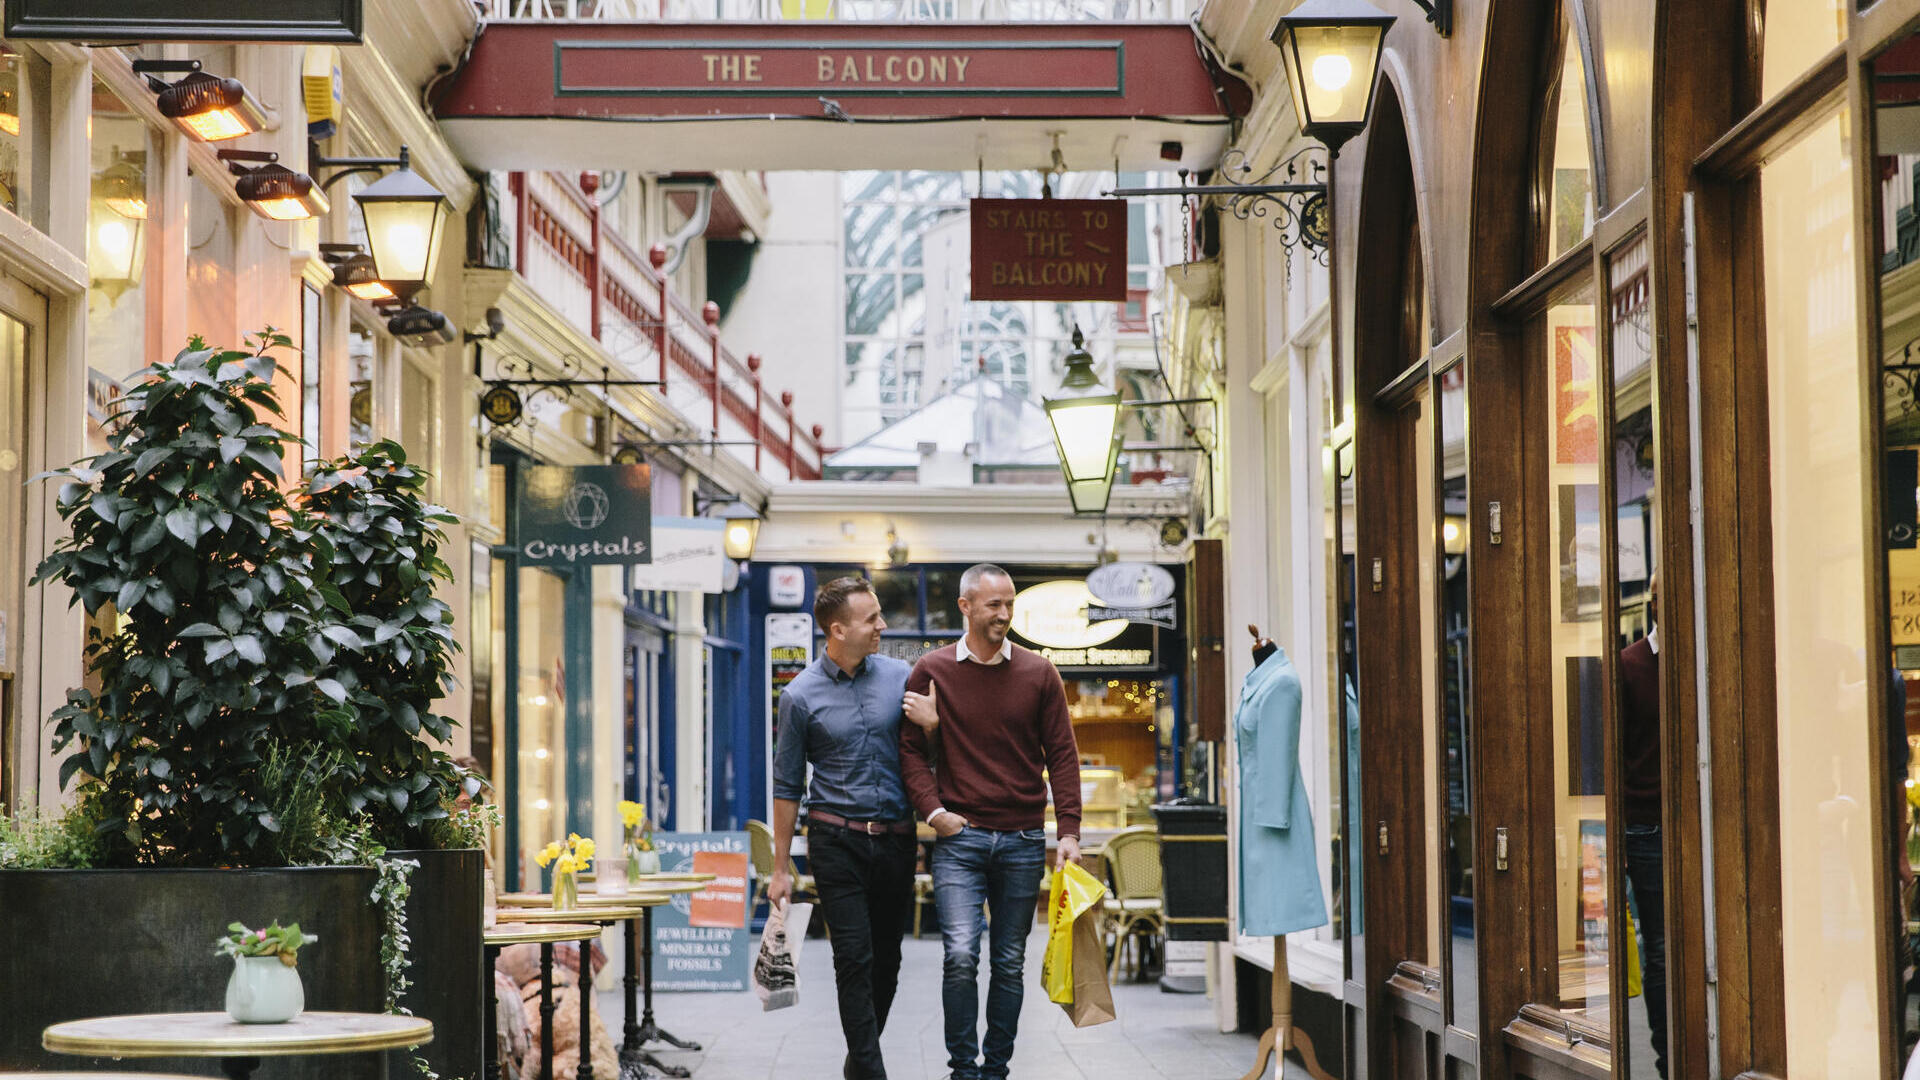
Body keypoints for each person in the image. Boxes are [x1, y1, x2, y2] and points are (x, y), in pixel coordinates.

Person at [899, 563, 1082, 1080]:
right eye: (993, 605)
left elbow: (1062, 756)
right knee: (959, 954)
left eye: (1010, 604)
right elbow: (910, 754)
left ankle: (995, 1070)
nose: (1004, 614)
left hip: (1024, 839)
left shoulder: (1038, 672)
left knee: (1007, 962)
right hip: (961, 838)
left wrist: (1067, 831)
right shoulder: (931, 671)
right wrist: (935, 814)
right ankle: (963, 1069)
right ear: (965, 607)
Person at [769, 576, 930, 1080]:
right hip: (835, 839)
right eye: (871, 619)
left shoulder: (900, 676)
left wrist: (935, 723)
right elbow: (786, 783)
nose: (882, 625)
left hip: (897, 840)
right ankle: (872, 1070)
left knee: (888, 961)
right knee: (853, 957)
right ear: (837, 630)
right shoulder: (798, 696)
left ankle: (858, 1061)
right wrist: (779, 867)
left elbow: (923, 754)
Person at [1618, 575, 1667, 1079]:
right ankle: (1669, 1057)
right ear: (1655, 602)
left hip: (1696, 825)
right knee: (1660, 947)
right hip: (1647, 828)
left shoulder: (1702, 661)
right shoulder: (1630, 666)